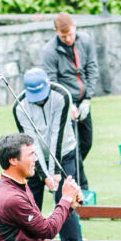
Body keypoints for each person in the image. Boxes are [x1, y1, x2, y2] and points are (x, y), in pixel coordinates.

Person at [11, 68, 87, 241]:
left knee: (66, 202)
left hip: (64, 153)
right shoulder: (19, 106)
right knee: (29, 205)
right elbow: (30, 142)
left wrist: (54, 172)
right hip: (33, 159)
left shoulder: (61, 95)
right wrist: (45, 175)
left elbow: (57, 135)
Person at [42, 14, 95, 192]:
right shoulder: (49, 50)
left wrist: (88, 98)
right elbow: (52, 81)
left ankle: (70, 172)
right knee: (73, 145)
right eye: (64, 36)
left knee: (86, 142)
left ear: (75, 27)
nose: (68, 39)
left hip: (83, 99)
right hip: (64, 104)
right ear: (56, 32)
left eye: (70, 34)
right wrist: (68, 104)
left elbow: (91, 68)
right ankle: (82, 188)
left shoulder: (85, 41)